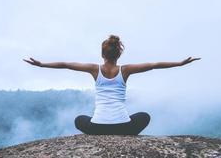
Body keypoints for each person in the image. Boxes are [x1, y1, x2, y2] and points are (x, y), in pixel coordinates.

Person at [23, 35, 200, 135]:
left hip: (97, 127)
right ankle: (126, 133)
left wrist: (42, 64)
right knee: (144, 116)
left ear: (102, 54)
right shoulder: (126, 70)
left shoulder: (94, 69)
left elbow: (66, 64)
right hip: (124, 127)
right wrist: (179, 63)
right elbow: (154, 65)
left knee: (79, 120)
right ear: (118, 55)